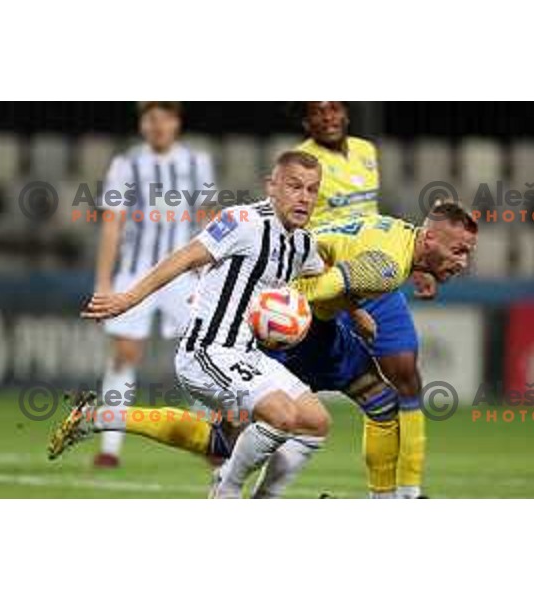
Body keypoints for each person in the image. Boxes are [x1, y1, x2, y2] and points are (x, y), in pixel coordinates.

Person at [50, 151, 333, 499]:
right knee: (280, 416)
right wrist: (130, 297)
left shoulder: (303, 244)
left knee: (314, 422)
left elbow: (327, 280)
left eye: (312, 189)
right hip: (206, 350)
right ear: (271, 187)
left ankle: (99, 417)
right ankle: (225, 491)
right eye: (294, 187)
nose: (304, 197)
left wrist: (361, 314)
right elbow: (185, 257)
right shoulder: (243, 221)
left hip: (247, 355)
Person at [293, 101, 435, 498]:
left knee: (407, 376)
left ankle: (409, 491)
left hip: (376, 277)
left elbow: (375, 220)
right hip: (331, 282)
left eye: (334, 108)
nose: (328, 117)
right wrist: (341, 298)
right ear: (307, 121)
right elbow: (299, 228)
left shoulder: (367, 152)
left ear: (345, 113)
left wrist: (419, 264)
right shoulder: (303, 162)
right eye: (318, 112)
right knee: (310, 391)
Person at [94, 101, 214, 468]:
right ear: (142, 124)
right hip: (134, 272)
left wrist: (208, 272)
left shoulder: (198, 162)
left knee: (203, 353)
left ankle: (212, 439)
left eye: (164, 117)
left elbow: (207, 219)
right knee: (125, 354)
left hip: (183, 271)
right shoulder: (125, 164)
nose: (157, 125)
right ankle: (110, 448)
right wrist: (104, 280)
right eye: (150, 118)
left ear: (176, 122)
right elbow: (112, 223)